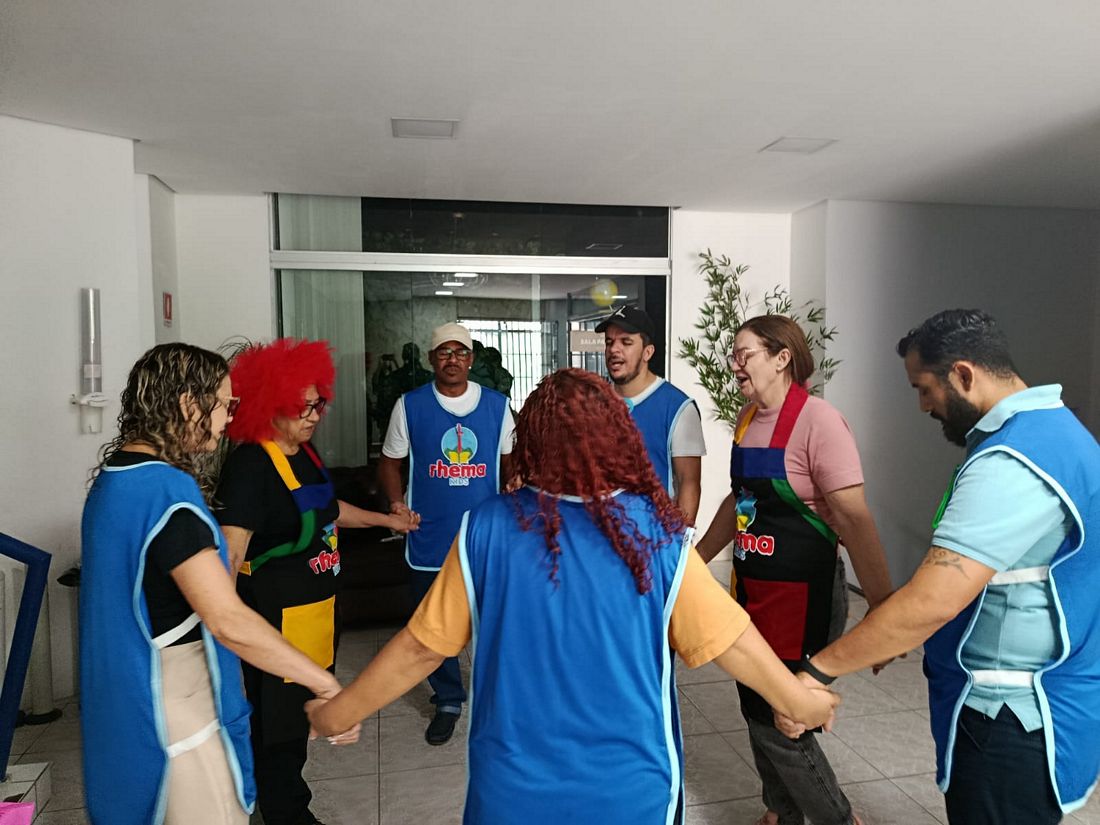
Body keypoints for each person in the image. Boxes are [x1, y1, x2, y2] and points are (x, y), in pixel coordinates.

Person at [306, 368, 841, 824]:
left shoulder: (485, 528)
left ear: (530, 441)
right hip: (630, 793)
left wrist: (339, 712)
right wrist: (800, 701)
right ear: (618, 437)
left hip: (510, 792)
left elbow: (421, 648)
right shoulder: (657, 537)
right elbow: (733, 642)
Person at [789, 309, 1100, 825]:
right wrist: (886, 633)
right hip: (1043, 704)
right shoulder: (1059, 433)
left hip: (1008, 720)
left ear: (963, 374)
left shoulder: (1012, 463)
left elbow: (933, 600)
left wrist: (818, 671)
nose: (923, 405)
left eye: (924, 388)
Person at [80, 343, 353, 825]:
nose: (231, 418)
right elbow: (225, 617)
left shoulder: (115, 477)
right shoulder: (167, 493)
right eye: (226, 404)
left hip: (121, 686)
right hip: (171, 697)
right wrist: (323, 681)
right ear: (190, 404)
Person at [695, 315, 893, 825]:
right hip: (752, 592)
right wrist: (694, 563)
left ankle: (838, 819)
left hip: (803, 599)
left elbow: (855, 520)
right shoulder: (747, 419)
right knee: (753, 703)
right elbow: (739, 502)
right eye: (733, 355)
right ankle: (781, 812)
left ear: (782, 357)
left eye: (744, 354)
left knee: (783, 718)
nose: (734, 365)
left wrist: (883, 611)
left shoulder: (819, 422)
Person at [215, 338, 417, 825]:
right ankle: (284, 814)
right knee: (275, 732)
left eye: (318, 403)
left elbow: (328, 510)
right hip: (273, 621)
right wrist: (225, 647)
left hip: (316, 616)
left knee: (296, 724)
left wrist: (387, 521)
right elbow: (229, 556)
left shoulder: (303, 452)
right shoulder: (250, 465)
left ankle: (285, 804)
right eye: (301, 406)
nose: (313, 415)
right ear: (268, 405)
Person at [378, 321, 515, 745]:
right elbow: (390, 462)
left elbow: (511, 466)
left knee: (495, 625)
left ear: (471, 359)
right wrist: (396, 503)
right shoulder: (410, 406)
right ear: (431, 359)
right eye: (444, 352)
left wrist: (515, 506)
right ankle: (449, 700)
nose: (452, 360)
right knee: (434, 626)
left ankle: (499, 699)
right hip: (429, 537)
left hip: (485, 538)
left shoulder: (497, 407)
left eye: (460, 352)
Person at [597, 304, 706, 524]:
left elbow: (689, 482)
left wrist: (679, 539)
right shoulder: (593, 403)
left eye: (626, 342)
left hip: (652, 536)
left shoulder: (678, 407)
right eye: (609, 342)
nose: (614, 350)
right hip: (598, 533)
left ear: (648, 352)